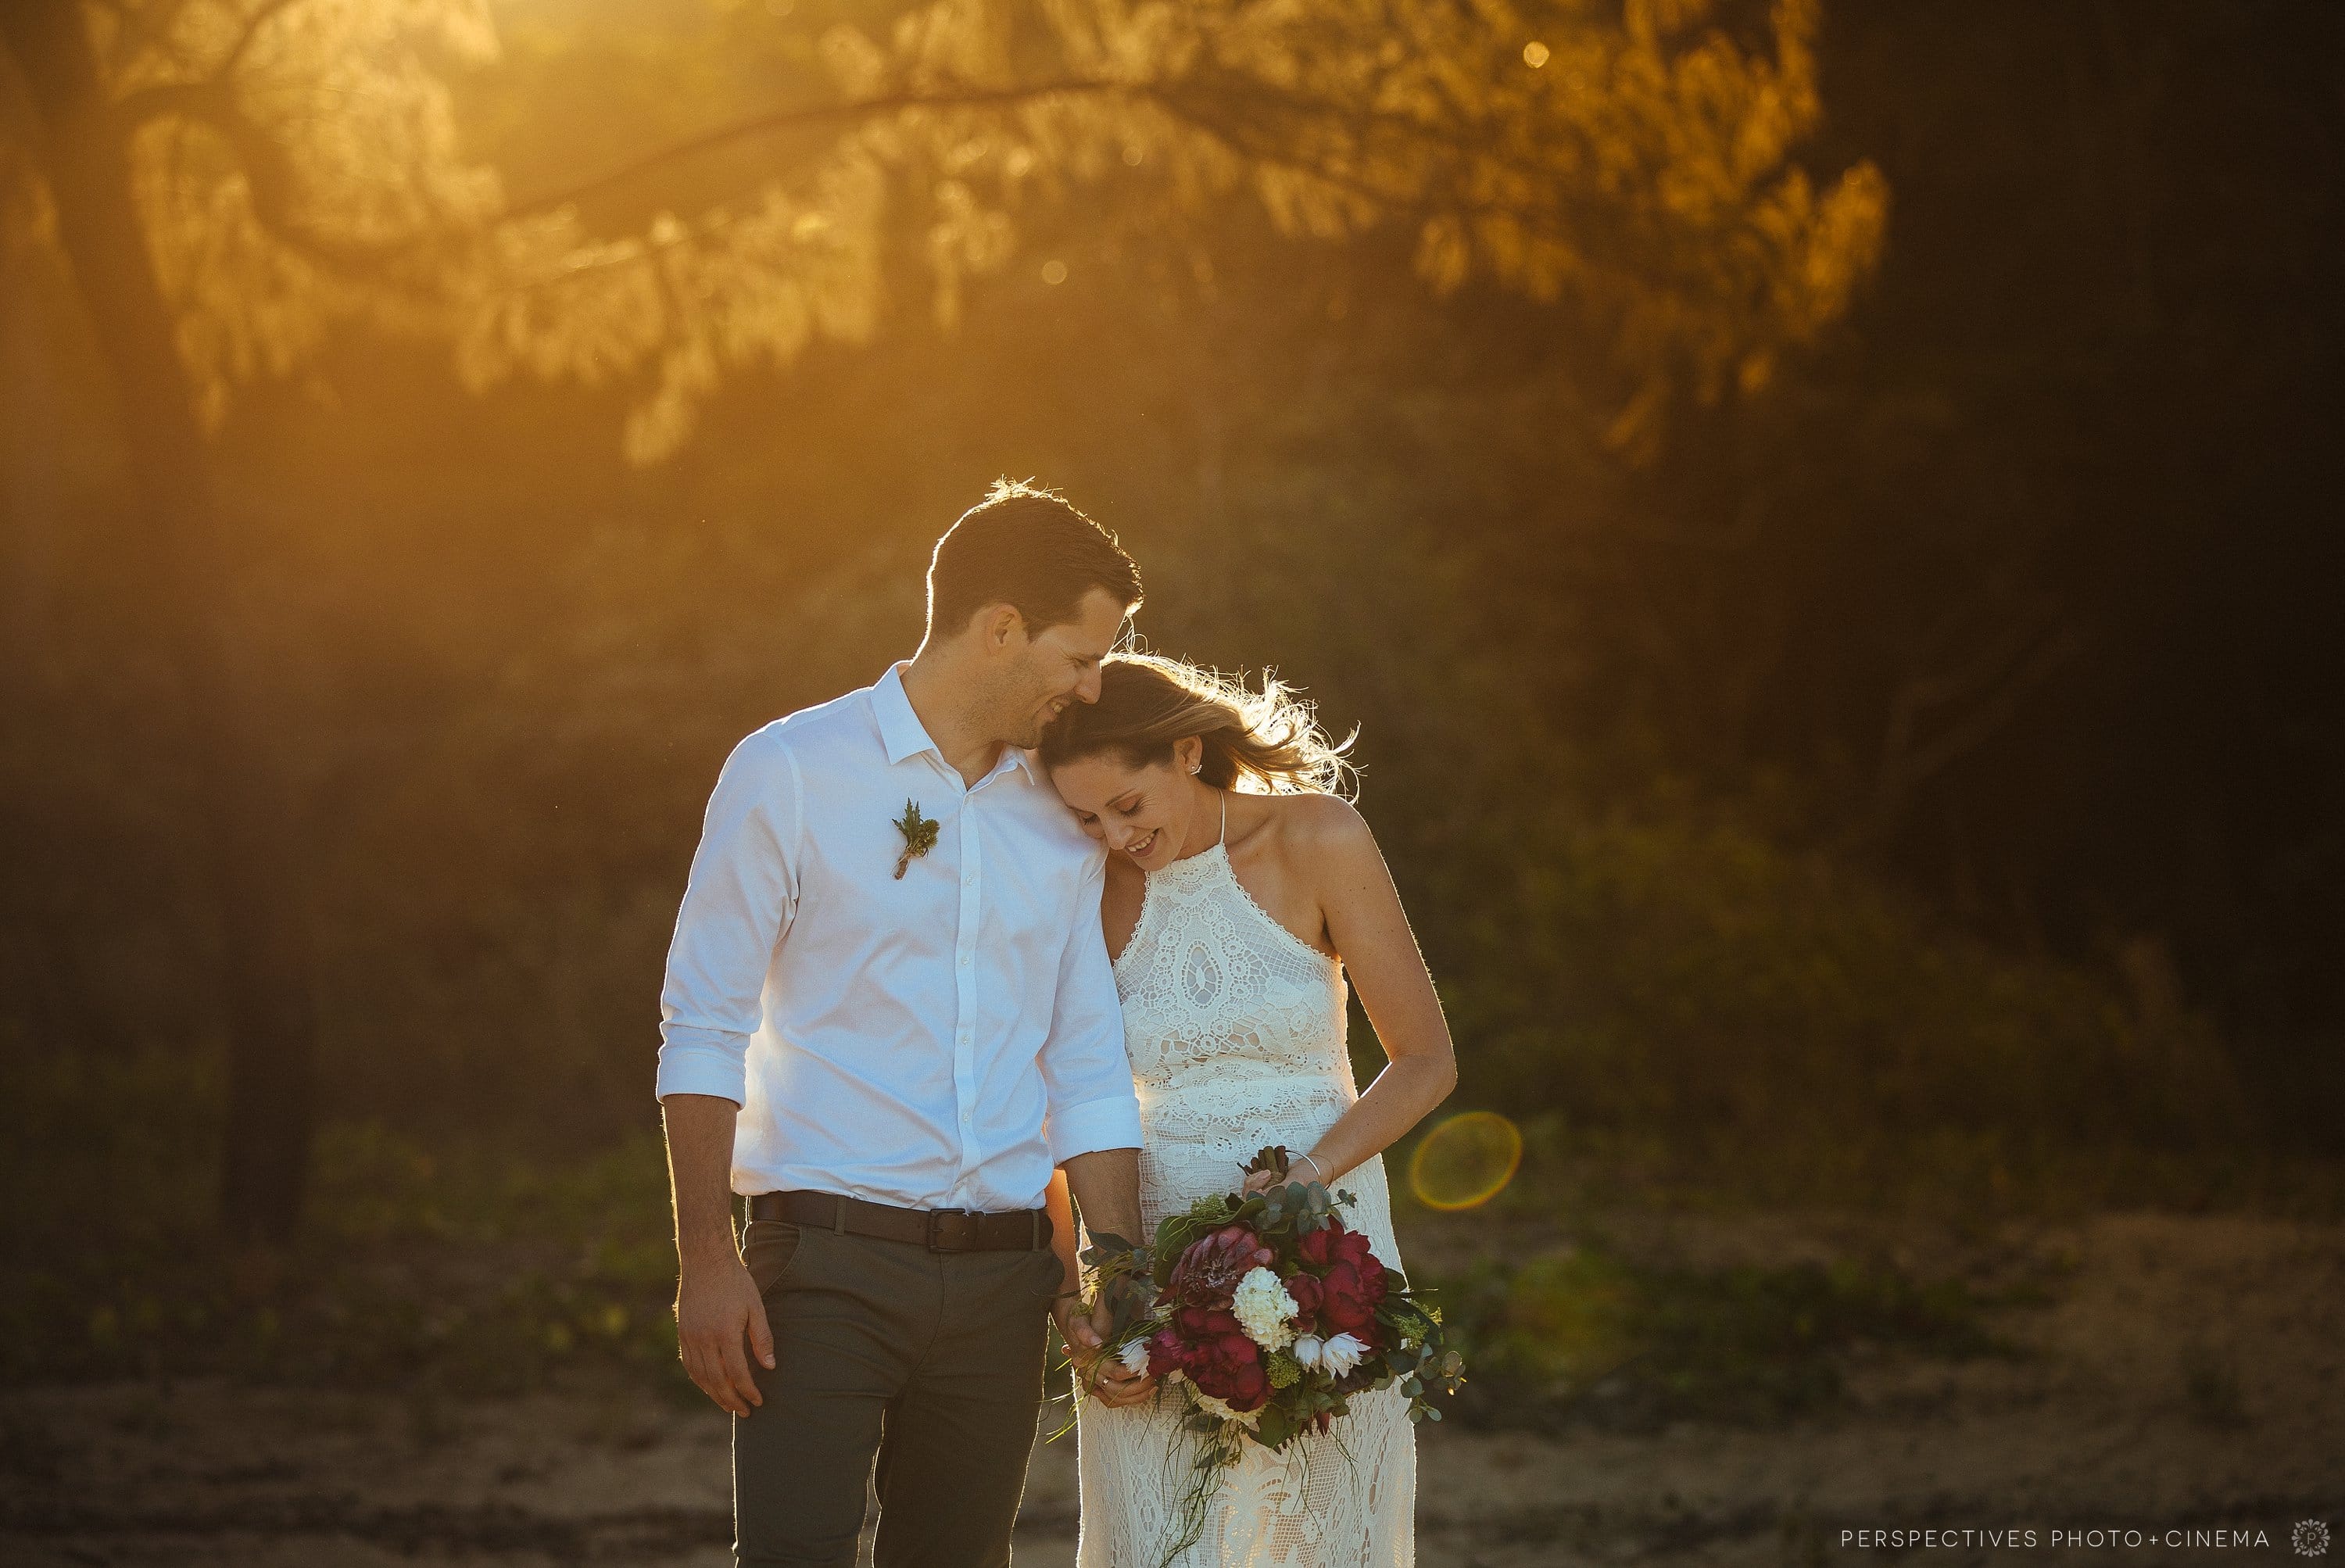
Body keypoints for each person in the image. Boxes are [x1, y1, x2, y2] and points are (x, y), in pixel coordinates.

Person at [655, 480, 1158, 1568]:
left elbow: (1084, 1058)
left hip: (1003, 1284)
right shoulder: (789, 770)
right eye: (1081, 656)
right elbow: (703, 1024)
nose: (1093, 685)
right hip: (822, 1269)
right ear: (1001, 628)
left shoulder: (1062, 813)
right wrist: (706, 1257)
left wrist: (1116, 1269)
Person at [1039, 653, 1459, 1566]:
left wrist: (1306, 1180)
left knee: (1321, 1529)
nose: (1114, 836)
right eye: (1086, 817)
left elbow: (1426, 1060)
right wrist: (1074, 1292)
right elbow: (1058, 1100)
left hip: (1324, 1233)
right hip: (1152, 1256)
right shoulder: (1081, 887)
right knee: (1163, 1538)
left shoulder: (1319, 836)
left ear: (1187, 751)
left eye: (1127, 805)